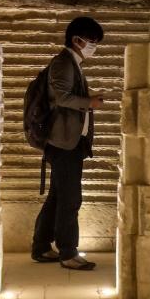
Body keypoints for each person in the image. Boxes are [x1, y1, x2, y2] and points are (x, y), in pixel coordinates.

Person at [30, 16, 105, 270]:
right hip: (64, 143)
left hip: (67, 141)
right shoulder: (64, 62)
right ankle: (68, 253)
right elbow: (61, 97)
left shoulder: (72, 62)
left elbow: (64, 95)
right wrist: (89, 103)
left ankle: (41, 247)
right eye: (92, 42)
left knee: (57, 196)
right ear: (77, 40)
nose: (93, 47)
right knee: (70, 199)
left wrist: (87, 97)